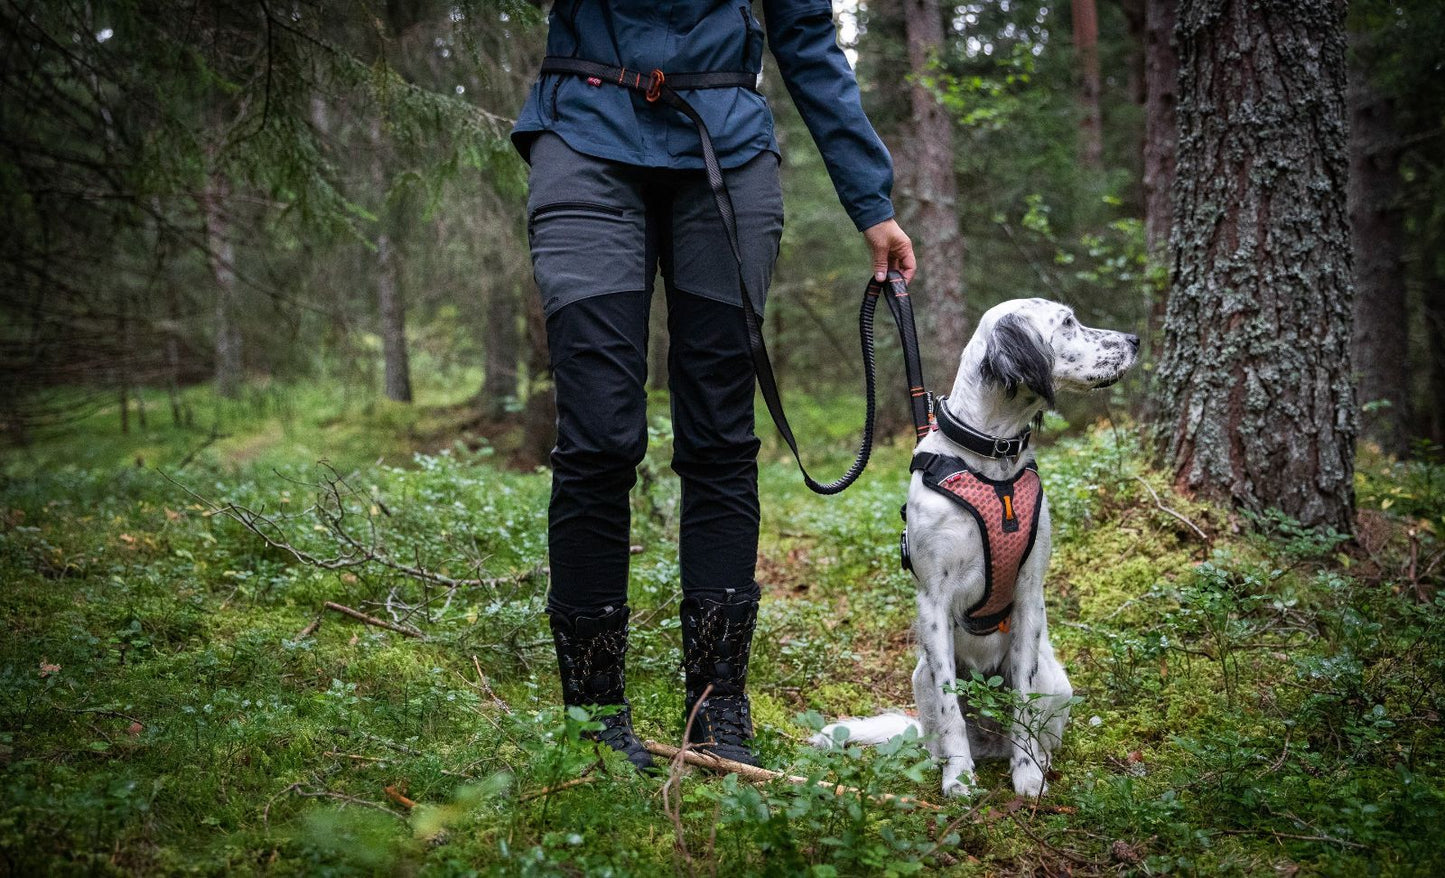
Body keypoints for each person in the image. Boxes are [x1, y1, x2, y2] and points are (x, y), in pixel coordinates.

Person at [512, 0, 916, 771]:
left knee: (721, 436)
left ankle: (716, 705)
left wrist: (871, 200)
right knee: (598, 436)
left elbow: (804, 39)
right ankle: (593, 716)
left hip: (724, 156)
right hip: (583, 139)